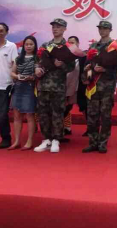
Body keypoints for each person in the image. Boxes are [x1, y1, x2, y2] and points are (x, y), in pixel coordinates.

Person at [81, 20, 117, 154]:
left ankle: (103, 143)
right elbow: (87, 64)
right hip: (93, 86)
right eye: (100, 28)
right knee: (92, 115)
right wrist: (88, 70)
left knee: (105, 116)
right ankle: (93, 142)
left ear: (110, 30)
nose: (102, 31)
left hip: (107, 86)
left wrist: (105, 70)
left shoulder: (115, 46)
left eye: (105, 29)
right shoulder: (93, 46)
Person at [34, 19, 75, 153]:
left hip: (58, 86)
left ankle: (56, 139)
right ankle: (46, 139)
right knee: (43, 113)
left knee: (57, 113)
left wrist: (61, 65)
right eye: (53, 27)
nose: (55, 29)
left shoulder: (68, 47)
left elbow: (71, 67)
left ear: (64, 29)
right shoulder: (45, 45)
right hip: (43, 85)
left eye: (58, 27)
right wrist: (37, 68)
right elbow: (37, 61)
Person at [9, 36, 38, 150]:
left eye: (31, 44)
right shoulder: (18, 58)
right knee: (16, 115)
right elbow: (12, 72)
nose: (28, 46)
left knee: (30, 115)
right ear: (23, 46)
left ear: (35, 45)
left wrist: (32, 77)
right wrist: (17, 76)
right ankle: (17, 141)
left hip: (30, 88)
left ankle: (29, 141)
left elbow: (39, 74)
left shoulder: (37, 58)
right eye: (26, 44)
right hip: (18, 87)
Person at [63, 36, 82, 141]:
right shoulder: (63, 56)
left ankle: (64, 128)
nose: (70, 44)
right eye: (69, 42)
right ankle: (58, 132)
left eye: (73, 42)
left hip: (75, 88)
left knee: (67, 108)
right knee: (61, 109)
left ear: (78, 44)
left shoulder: (82, 57)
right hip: (62, 88)